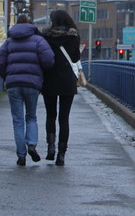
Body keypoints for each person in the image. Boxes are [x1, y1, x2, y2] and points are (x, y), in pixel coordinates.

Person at [0, 14, 55, 166]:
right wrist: (40, 73)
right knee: (31, 117)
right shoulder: (38, 40)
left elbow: (0, 62)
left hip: (13, 84)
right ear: (30, 25)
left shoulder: (8, 42)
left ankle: (21, 155)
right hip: (32, 84)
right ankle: (32, 145)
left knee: (17, 120)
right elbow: (48, 60)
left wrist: (7, 77)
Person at [42, 9, 81, 166]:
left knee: (50, 115)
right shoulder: (73, 36)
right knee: (64, 118)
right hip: (67, 81)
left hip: (49, 78)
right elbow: (75, 58)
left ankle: (51, 147)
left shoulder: (46, 36)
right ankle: (62, 154)